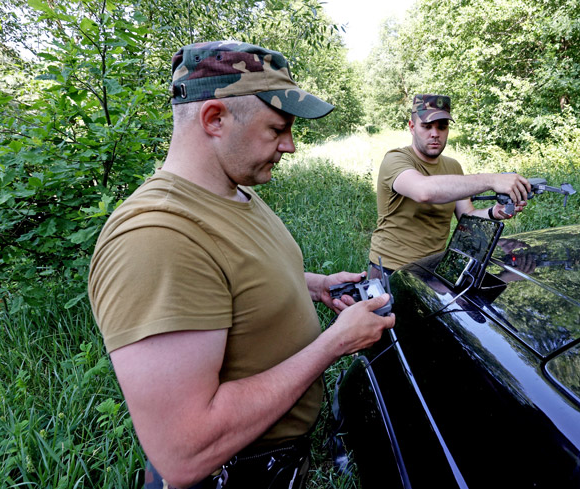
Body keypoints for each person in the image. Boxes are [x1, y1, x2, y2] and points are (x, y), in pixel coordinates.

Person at [87, 41, 395, 489]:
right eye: (277, 129)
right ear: (215, 119)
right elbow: (185, 450)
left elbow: (225, 280)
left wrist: (310, 285)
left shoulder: (233, 192)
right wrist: (334, 343)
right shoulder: (156, 239)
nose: (289, 146)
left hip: (275, 463)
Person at [368, 94, 532, 276]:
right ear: (412, 127)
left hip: (433, 267)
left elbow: (466, 216)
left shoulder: (452, 166)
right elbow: (423, 191)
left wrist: (493, 212)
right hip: (391, 268)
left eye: (442, 127)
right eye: (426, 126)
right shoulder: (396, 159)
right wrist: (492, 180)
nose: (435, 134)